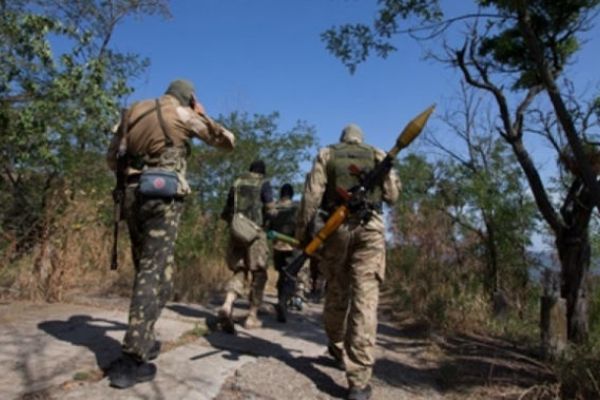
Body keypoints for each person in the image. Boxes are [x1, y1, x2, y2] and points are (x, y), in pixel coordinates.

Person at [105, 79, 235, 389]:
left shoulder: (133, 111)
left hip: (131, 195)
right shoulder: (181, 113)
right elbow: (227, 142)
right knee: (153, 274)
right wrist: (201, 114)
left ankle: (144, 337)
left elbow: (111, 158)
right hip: (162, 197)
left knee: (152, 273)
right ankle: (131, 359)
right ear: (189, 98)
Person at [295, 124, 400, 400]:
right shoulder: (378, 154)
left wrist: (302, 235)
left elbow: (311, 197)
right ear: (360, 140)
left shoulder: (327, 154)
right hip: (371, 229)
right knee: (365, 300)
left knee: (336, 291)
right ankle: (358, 382)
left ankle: (336, 343)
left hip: (336, 228)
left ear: (342, 139)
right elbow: (392, 196)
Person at [219, 159, 275, 332]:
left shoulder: (237, 182)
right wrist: (269, 222)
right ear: (262, 172)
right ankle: (252, 316)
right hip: (255, 233)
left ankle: (228, 304)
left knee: (239, 270)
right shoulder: (263, 183)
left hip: (237, 231)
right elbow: (270, 209)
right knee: (259, 273)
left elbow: (227, 210)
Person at [267, 183, 310, 320]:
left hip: (277, 246)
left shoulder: (274, 208)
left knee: (281, 273)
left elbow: (268, 227)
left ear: (281, 194)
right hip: (293, 246)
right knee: (290, 275)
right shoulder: (297, 208)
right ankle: (283, 302)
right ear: (292, 194)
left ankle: (281, 299)